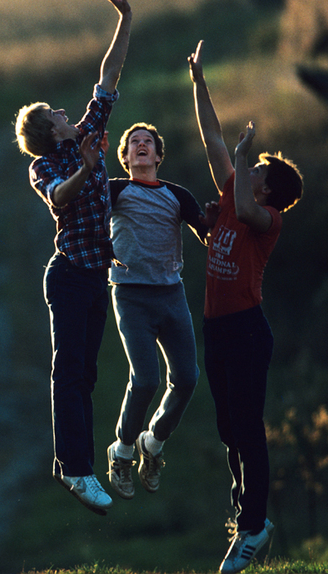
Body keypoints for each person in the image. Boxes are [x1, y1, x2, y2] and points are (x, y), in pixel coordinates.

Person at [14, 0, 131, 516]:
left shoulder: (89, 130)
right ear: (49, 129)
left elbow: (108, 77)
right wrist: (86, 166)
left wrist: (124, 19)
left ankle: (76, 467)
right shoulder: (47, 166)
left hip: (95, 275)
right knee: (69, 369)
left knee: (86, 374)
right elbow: (59, 200)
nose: (68, 111)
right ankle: (76, 469)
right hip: (66, 276)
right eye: (57, 112)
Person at [188, 40, 303, 574]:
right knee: (229, 429)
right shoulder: (237, 190)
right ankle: (246, 520)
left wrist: (244, 151)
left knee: (248, 427)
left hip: (247, 331)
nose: (248, 169)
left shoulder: (268, 220)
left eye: (257, 168)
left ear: (269, 190)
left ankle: (256, 526)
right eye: (251, 165)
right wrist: (199, 83)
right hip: (217, 329)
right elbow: (212, 136)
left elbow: (238, 202)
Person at [104, 122, 210, 501]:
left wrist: (215, 219)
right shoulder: (116, 190)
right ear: (126, 157)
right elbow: (85, 208)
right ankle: (123, 451)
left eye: (148, 142)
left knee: (186, 378)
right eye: (134, 143)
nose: (141, 145)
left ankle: (154, 443)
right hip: (131, 296)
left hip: (171, 294)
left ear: (159, 156)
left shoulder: (177, 195)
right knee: (146, 378)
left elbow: (206, 231)